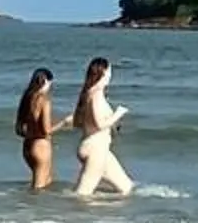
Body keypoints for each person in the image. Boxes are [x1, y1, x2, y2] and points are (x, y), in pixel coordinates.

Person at [70, 57, 134, 196]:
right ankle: (60, 214)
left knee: (126, 187)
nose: (111, 74)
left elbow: (77, 122)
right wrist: (118, 113)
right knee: (82, 195)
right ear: (103, 72)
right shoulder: (95, 94)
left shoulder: (89, 93)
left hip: (98, 148)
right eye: (109, 70)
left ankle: (107, 217)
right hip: (95, 150)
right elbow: (99, 124)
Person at [14, 67, 67, 190]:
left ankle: (34, 207)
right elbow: (46, 130)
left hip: (28, 145)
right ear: (47, 82)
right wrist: (64, 123)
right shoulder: (44, 100)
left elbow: (18, 129)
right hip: (41, 145)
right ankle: (30, 208)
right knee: (39, 187)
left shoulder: (26, 98)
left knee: (46, 181)